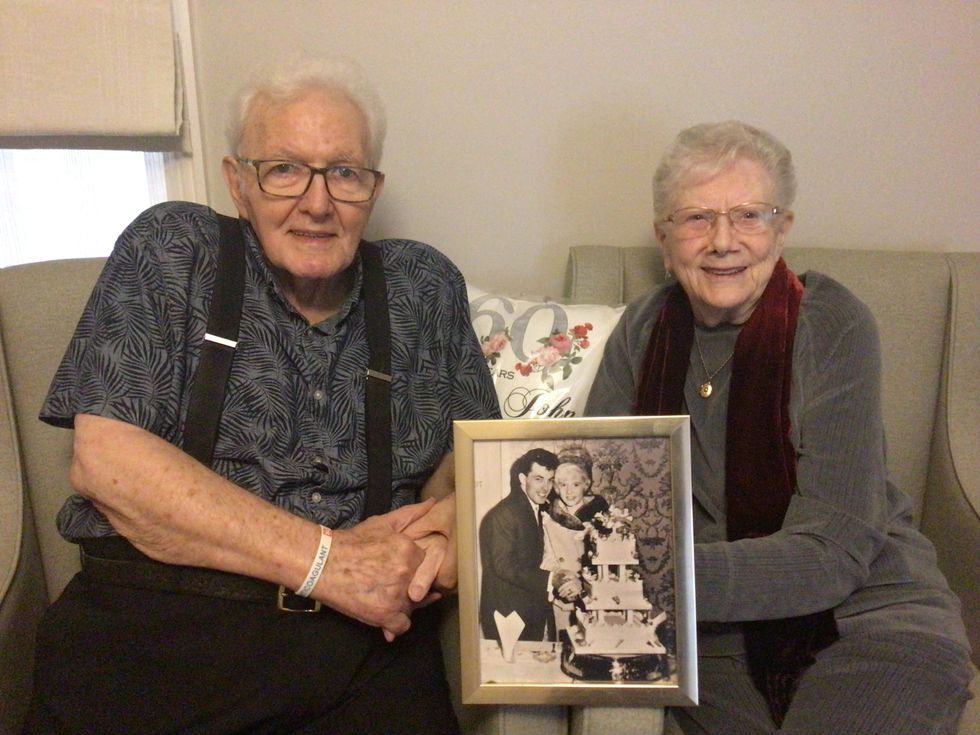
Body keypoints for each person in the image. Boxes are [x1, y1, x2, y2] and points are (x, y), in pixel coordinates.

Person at [24, 58, 499, 735]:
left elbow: (479, 467)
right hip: (156, 630)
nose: (317, 201)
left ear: (373, 187)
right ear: (236, 182)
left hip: (365, 653)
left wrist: (447, 533)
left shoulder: (423, 285)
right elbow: (108, 463)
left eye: (344, 172)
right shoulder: (173, 248)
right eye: (283, 169)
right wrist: (329, 565)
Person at [585, 120, 973, 734]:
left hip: (865, 617)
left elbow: (832, 554)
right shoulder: (641, 331)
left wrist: (643, 580)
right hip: (709, 636)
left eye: (748, 216)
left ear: (782, 228)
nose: (722, 241)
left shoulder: (831, 323)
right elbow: (602, 504)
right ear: (664, 239)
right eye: (694, 219)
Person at [479, 447, 558, 643]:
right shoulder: (505, 513)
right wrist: (552, 579)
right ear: (523, 479)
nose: (545, 487)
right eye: (538, 479)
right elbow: (504, 566)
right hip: (508, 617)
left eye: (550, 480)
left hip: (526, 611)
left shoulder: (535, 508)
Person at [540, 447, 607, 634]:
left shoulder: (602, 518)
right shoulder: (547, 517)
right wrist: (561, 579)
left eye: (575, 484)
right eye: (563, 485)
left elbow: (608, 563)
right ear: (555, 486)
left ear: (586, 484)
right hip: (562, 600)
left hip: (594, 599)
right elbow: (546, 556)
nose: (569, 492)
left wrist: (582, 583)